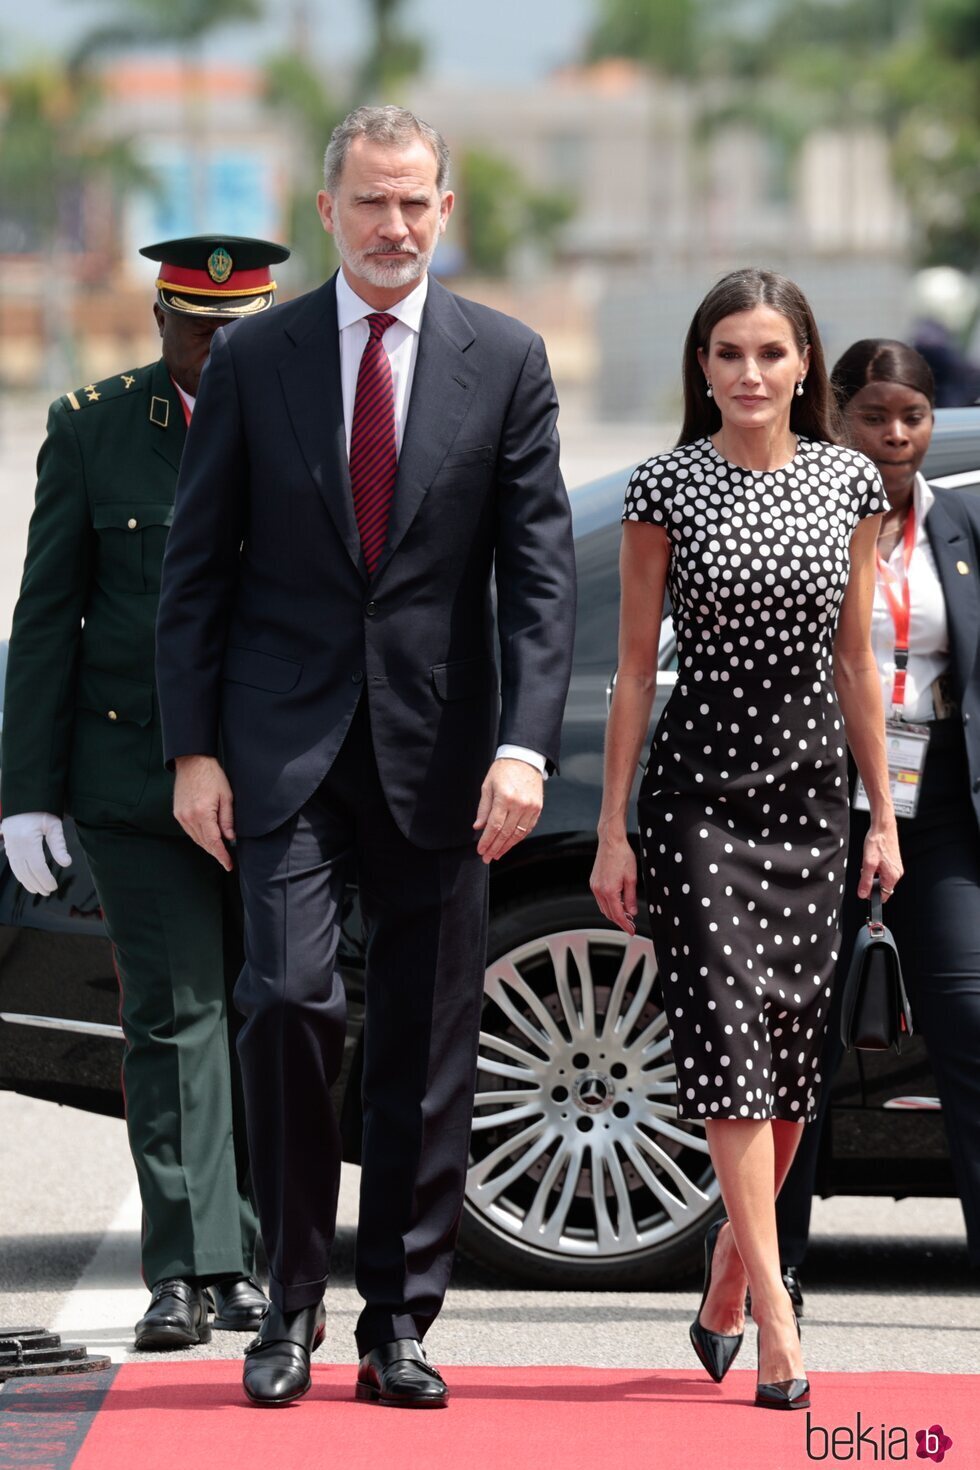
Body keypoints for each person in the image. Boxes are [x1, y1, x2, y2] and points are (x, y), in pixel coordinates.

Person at [154, 105, 576, 1409]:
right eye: (371, 202)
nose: (395, 226)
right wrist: (192, 753)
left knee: (425, 1042)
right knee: (284, 1000)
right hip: (280, 749)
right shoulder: (258, 356)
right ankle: (287, 1302)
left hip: (445, 754)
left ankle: (400, 1317)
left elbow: (541, 579)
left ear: (445, 212)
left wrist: (523, 745)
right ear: (326, 209)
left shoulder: (505, 359)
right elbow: (194, 571)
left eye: (416, 204)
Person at [590, 268, 901, 1411]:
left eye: (769, 353)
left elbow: (857, 663)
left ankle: (729, 1272)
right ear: (701, 370)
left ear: (804, 364)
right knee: (729, 1045)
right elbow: (630, 671)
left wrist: (880, 814)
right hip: (696, 802)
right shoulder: (663, 484)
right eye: (727, 354)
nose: (750, 374)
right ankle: (777, 1319)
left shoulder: (848, 480)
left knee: (785, 1063)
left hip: (811, 797)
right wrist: (613, 829)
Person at [0, 236, 289, 1350]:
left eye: (240, 334)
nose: (218, 353)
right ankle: (189, 1268)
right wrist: (27, 789)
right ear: (161, 319)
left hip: (275, 780)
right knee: (175, 1019)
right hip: (133, 774)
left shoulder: (307, 428)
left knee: (273, 1014)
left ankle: (258, 1251)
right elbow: (46, 619)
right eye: (198, 330)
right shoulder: (95, 428)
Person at [777, 338, 980, 1286]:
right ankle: (768, 1278)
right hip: (815, 803)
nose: (895, 436)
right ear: (836, 412)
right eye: (874, 415)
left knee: (968, 1028)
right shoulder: (799, 515)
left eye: (913, 417)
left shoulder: (962, 528)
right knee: (795, 1049)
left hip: (930, 807)